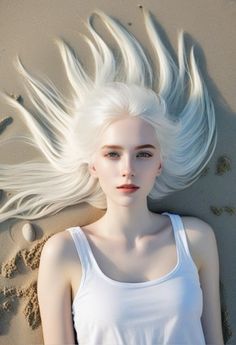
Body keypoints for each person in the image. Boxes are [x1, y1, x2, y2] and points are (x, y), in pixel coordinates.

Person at [0, 9, 224, 345]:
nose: (128, 168)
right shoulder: (65, 252)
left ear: (160, 164)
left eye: (144, 154)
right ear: (93, 165)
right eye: (112, 154)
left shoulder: (195, 239)